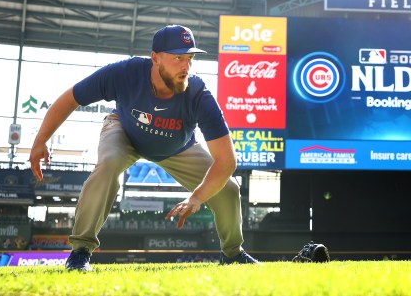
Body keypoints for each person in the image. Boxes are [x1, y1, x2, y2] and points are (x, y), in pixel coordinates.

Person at [29, 24, 258, 271]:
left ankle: (233, 254)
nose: (185, 66)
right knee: (109, 165)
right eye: (178, 58)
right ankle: (80, 252)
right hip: (125, 131)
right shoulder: (124, 73)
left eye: (190, 58)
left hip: (176, 147)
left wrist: (197, 197)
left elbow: (227, 161)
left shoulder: (198, 94)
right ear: (155, 58)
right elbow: (70, 98)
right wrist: (40, 141)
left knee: (229, 189)